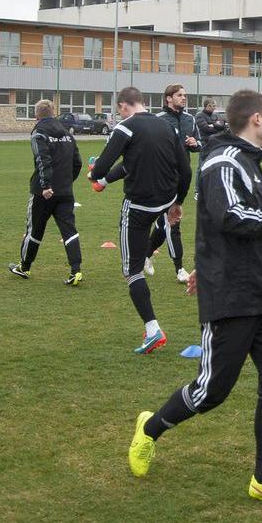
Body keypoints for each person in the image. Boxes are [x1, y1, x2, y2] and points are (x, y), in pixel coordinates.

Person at [127, 90, 262, 506]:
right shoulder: (223, 161)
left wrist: (206, 263)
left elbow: (219, 225)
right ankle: (150, 429)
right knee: (212, 391)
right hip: (232, 298)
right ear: (254, 120)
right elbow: (231, 216)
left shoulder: (246, 161)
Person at [91, 86, 193, 353]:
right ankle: (169, 263)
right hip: (165, 200)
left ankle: (153, 330)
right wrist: (177, 203)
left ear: (124, 106)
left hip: (137, 206)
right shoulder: (166, 128)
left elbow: (101, 166)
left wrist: (95, 175)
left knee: (131, 271)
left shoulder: (125, 128)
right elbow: (184, 169)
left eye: (119, 110)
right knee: (164, 234)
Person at [10, 100, 83, 284]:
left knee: (34, 230)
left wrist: (46, 185)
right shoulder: (67, 133)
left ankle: (24, 268)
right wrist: (66, 182)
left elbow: (42, 159)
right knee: (69, 230)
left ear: (37, 116)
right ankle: (76, 270)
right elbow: (78, 162)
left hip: (43, 192)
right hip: (65, 191)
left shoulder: (38, 133)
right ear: (54, 113)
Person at [151, 83, 202, 283]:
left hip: (183, 177)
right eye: (180, 95)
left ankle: (145, 256)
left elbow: (200, 143)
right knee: (173, 221)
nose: (184, 98)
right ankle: (179, 268)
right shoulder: (158, 120)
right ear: (168, 98)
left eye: (185, 95)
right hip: (163, 177)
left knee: (164, 222)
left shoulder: (190, 119)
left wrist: (195, 144)